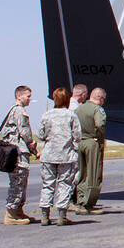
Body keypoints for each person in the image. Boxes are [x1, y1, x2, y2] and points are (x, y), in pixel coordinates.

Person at [37, 88, 81, 225]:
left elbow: (40, 135)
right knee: (64, 184)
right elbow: (78, 135)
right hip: (65, 155)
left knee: (48, 184)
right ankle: (62, 215)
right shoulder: (71, 115)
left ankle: (45, 215)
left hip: (49, 154)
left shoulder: (46, 115)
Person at [1, 85, 38, 225]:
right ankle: (11, 214)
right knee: (18, 181)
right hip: (18, 152)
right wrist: (32, 144)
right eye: (27, 96)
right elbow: (25, 133)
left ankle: (17, 211)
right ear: (19, 96)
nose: (30, 99)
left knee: (21, 181)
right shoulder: (19, 112)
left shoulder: (14, 110)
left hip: (16, 151)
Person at [72, 87, 107, 214]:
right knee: (93, 173)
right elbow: (100, 125)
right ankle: (89, 204)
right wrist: (100, 140)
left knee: (82, 172)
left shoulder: (78, 109)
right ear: (100, 98)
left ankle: (80, 200)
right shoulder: (98, 109)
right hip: (92, 142)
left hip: (80, 142)